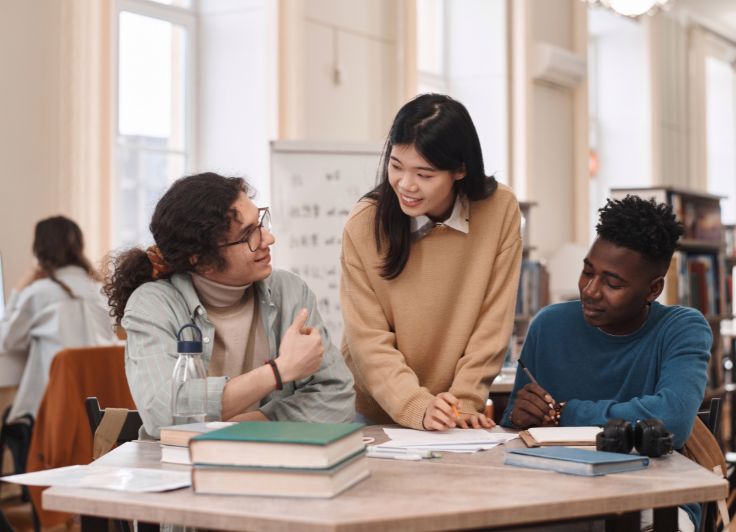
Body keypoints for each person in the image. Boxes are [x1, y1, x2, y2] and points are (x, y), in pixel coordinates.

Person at [501, 195, 711, 531]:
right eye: (587, 272)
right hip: (555, 491)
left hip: (651, 495)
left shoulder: (681, 327)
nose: (591, 290)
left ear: (653, 289)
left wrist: (563, 414)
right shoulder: (548, 325)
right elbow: (515, 427)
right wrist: (516, 416)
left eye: (613, 283)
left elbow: (672, 418)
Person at [104, 172, 355, 439]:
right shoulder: (152, 305)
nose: (268, 238)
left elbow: (337, 397)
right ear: (201, 260)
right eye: (248, 235)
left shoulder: (290, 291)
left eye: (260, 223)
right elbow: (163, 413)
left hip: (277, 461)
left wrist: (255, 423)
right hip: (179, 468)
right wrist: (279, 371)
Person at [340, 93, 522, 431]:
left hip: (454, 414)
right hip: (372, 411)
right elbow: (367, 339)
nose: (406, 185)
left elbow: (493, 321)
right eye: (396, 166)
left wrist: (464, 403)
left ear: (460, 169)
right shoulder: (365, 224)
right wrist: (416, 406)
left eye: (424, 174)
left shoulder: (499, 209)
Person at [0, 216, 116, 423]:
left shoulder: (39, 292)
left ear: (39, 251)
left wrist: (19, 288)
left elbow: (7, 341)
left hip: (57, 411)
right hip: (103, 408)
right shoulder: (99, 291)